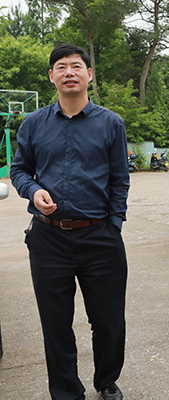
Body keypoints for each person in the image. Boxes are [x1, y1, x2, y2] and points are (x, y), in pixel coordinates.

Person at [10, 43, 129, 400]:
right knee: (55, 323)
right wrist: (33, 192)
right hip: (49, 240)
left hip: (100, 237)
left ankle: (106, 379)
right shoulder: (33, 124)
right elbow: (19, 170)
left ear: (89, 74)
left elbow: (120, 179)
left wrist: (114, 224)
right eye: (61, 67)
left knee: (108, 321)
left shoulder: (110, 123)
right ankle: (66, 392)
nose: (69, 72)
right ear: (51, 76)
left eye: (76, 66)